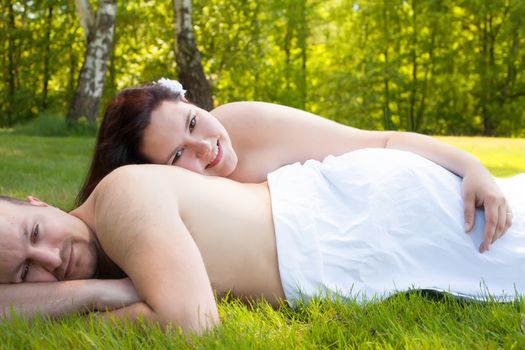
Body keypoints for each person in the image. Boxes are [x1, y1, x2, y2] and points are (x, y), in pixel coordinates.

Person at [1, 148, 524, 334]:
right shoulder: (114, 252)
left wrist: (93, 297)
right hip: (343, 237)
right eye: (28, 272)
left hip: (363, 218)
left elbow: (191, 323)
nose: (52, 258)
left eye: (35, 234)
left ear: (37, 204)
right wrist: (118, 291)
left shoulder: (120, 200)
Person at [77, 79, 512, 253]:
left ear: (190, 103)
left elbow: (380, 141)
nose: (204, 147)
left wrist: (472, 166)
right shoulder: (175, 202)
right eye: (177, 155)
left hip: (423, 194)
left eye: (193, 123)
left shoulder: (244, 124)